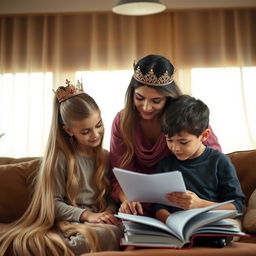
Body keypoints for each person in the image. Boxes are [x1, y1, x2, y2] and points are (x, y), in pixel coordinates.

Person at [0, 80, 122, 256]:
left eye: (98, 125)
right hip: (71, 220)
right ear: (69, 130)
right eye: (86, 131)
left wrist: (109, 211)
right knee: (87, 241)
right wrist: (87, 215)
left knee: (119, 232)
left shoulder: (105, 157)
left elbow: (111, 195)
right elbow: (53, 204)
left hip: (99, 220)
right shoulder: (61, 158)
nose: (96, 134)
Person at [110, 54, 222, 216]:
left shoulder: (184, 118)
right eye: (140, 98)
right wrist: (127, 199)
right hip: (137, 205)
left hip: (181, 202)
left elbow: (213, 160)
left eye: (156, 101)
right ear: (131, 94)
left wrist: (198, 200)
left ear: (169, 98)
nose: (146, 107)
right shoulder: (121, 121)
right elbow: (120, 173)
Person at [153, 95, 245, 225]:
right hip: (177, 226)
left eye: (183, 142)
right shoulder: (166, 165)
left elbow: (237, 206)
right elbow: (158, 207)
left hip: (212, 222)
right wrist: (170, 221)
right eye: (169, 140)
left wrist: (200, 204)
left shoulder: (219, 161)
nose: (175, 147)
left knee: (230, 225)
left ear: (204, 135)